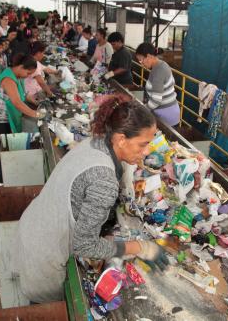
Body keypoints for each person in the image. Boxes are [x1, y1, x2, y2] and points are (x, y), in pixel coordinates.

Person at [12, 94, 169, 303]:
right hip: (44, 255)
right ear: (121, 139)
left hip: (33, 227)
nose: (147, 151)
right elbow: (85, 246)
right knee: (53, 309)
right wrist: (140, 247)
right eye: (142, 144)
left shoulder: (95, 142)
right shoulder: (104, 180)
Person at [0, 53, 43, 183]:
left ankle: (6, 175)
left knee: (5, 149)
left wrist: (37, 104)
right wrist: (37, 115)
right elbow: (17, 102)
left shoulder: (17, 76)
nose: (28, 76)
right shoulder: (8, 79)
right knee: (2, 152)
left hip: (5, 119)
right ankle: (1, 180)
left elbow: (24, 95)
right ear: (21, 67)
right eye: (28, 73)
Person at [135, 42, 179, 127]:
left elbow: (156, 100)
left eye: (141, 60)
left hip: (166, 115)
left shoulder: (158, 71)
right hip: (167, 111)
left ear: (148, 56)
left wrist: (142, 109)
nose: (141, 63)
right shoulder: (160, 64)